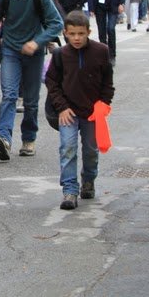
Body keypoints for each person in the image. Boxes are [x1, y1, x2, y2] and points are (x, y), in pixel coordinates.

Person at [0, 0, 63, 161]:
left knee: (30, 100)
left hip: (33, 53)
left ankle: (29, 138)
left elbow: (56, 24)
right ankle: (3, 138)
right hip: (10, 49)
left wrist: (38, 42)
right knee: (9, 94)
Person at [45, 11, 114, 211]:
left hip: (92, 112)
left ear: (88, 32)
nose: (76, 38)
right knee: (67, 148)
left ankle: (89, 180)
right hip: (68, 112)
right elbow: (52, 82)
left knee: (91, 150)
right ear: (65, 33)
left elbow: (107, 83)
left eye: (81, 34)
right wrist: (62, 107)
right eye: (72, 34)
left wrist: (104, 103)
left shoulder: (101, 51)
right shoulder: (60, 54)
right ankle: (69, 189)